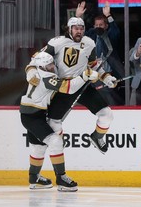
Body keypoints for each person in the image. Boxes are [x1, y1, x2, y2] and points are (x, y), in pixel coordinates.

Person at [26, 17, 117, 156]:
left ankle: (97, 137)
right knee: (54, 123)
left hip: (82, 85)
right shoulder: (57, 42)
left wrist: (106, 77)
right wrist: (31, 70)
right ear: (69, 29)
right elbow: (37, 57)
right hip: (63, 88)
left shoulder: (89, 43)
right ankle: (55, 149)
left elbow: (93, 65)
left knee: (107, 115)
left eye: (81, 29)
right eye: (76, 28)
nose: (79, 31)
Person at [21, 52, 99, 192]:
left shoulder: (39, 70)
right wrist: (84, 76)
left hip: (32, 114)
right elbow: (68, 88)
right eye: (49, 65)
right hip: (32, 115)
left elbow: (32, 61)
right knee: (56, 141)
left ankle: (34, 178)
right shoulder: (46, 77)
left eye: (52, 63)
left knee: (38, 147)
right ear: (43, 67)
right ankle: (61, 179)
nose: (52, 66)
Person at [76, 1, 125, 105]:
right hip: (93, 73)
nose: (98, 27)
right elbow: (78, 33)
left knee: (111, 102)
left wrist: (108, 15)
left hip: (109, 73)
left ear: (106, 26)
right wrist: (78, 17)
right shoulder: (90, 35)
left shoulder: (110, 36)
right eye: (96, 25)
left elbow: (116, 31)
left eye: (101, 25)